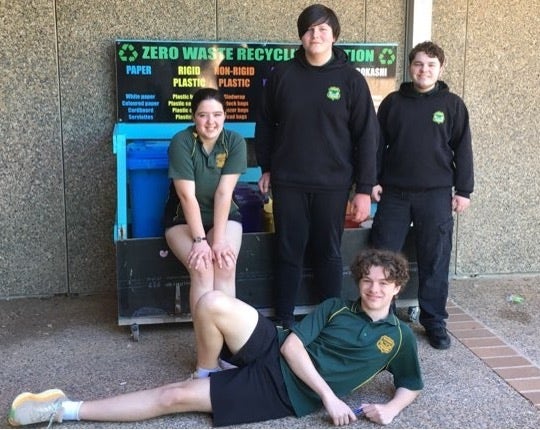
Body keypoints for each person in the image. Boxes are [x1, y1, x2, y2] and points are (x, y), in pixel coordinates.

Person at [8, 249, 423, 428]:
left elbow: (411, 383)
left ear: (396, 288)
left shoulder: (399, 338)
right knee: (209, 301)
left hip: (283, 392)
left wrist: (391, 409)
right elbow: (292, 344)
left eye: (384, 283)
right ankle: (207, 370)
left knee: (173, 398)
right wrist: (331, 398)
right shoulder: (336, 306)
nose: (374, 289)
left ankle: (63, 411)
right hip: (276, 346)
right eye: (368, 281)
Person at [255, 4, 379, 328]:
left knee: (328, 253)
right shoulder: (283, 75)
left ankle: (330, 322)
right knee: (287, 252)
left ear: (334, 36)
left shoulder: (351, 80)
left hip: (333, 184)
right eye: (310, 29)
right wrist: (265, 167)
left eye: (323, 29)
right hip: (289, 181)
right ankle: (282, 322)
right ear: (301, 35)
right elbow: (266, 125)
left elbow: (367, 136)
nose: (316, 35)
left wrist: (364, 189)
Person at [370, 41, 474, 350]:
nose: (423, 70)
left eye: (430, 65)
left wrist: (464, 190)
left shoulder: (452, 105)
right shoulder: (392, 103)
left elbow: (463, 150)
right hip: (395, 194)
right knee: (384, 256)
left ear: (440, 68)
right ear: (410, 67)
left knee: (435, 258)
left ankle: (434, 321)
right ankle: (380, 316)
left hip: (436, 195)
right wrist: (372, 180)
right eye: (418, 64)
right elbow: (376, 145)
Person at [163, 87, 247, 316]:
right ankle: (206, 340)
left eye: (217, 114)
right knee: (202, 267)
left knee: (225, 264)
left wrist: (218, 241)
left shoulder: (235, 142)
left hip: (224, 215)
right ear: (193, 117)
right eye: (203, 115)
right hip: (183, 219)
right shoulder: (182, 141)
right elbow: (186, 196)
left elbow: (223, 193)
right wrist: (201, 240)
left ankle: (229, 337)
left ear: (225, 116)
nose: (211, 122)